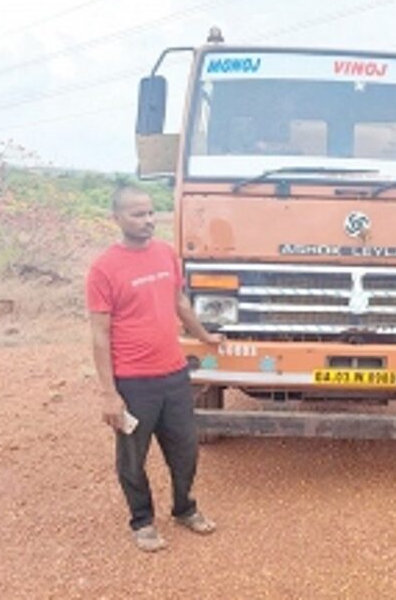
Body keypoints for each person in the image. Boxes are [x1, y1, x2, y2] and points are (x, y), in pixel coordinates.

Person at [86, 185, 224, 552]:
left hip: (174, 374)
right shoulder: (104, 268)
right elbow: (99, 334)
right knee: (133, 457)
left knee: (185, 449)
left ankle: (184, 509)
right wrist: (109, 393)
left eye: (150, 213)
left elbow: (179, 301)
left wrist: (205, 335)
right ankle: (142, 521)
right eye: (137, 214)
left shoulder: (166, 254)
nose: (147, 221)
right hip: (133, 381)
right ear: (116, 218)